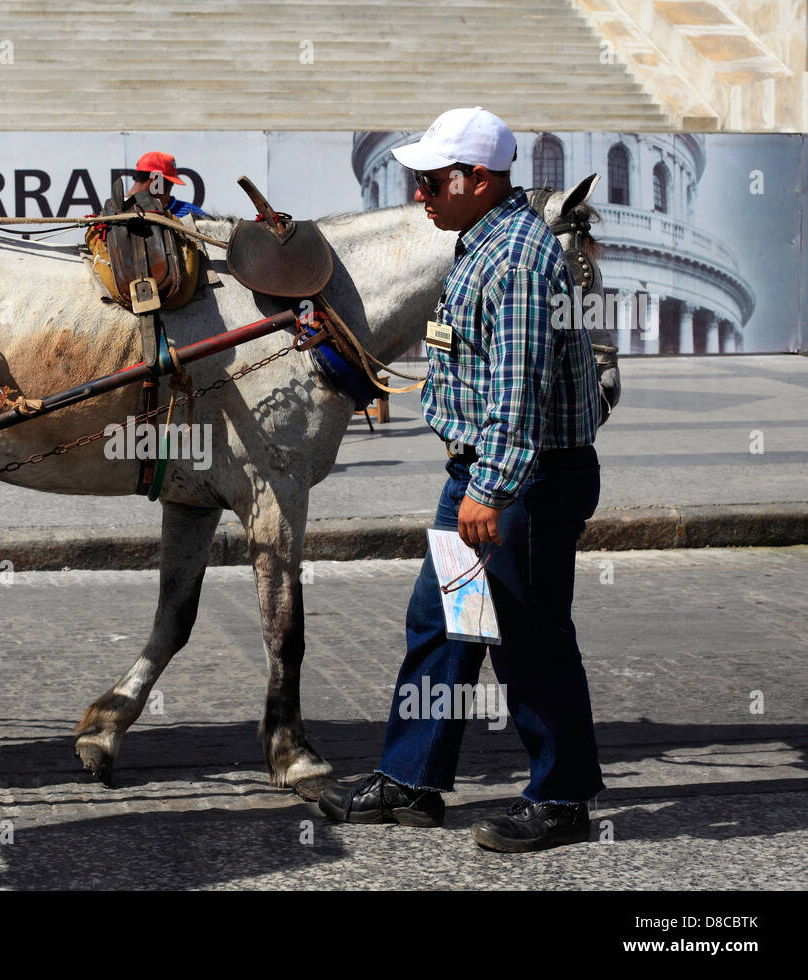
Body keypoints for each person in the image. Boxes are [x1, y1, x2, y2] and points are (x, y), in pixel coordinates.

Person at [318, 107, 604, 852]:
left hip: (520, 481)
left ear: (479, 179)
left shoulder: (514, 259)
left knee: (529, 639)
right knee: (445, 625)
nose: (419, 193)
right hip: (483, 475)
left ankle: (563, 798)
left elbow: (517, 391)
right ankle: (412, 781)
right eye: (416, 178)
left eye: (431, 180)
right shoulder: (480, 241)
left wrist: (492, 488)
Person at [127, 151, 206, 218]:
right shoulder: (119, 212)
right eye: (169, 183)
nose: (171, 186)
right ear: (156, 181)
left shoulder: (192, 214)